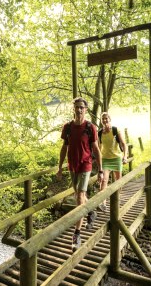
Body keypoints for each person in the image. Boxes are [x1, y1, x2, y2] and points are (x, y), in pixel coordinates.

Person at [57, 97, 103, 252]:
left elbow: (96, 149)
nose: (79, 110)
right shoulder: (68, 127)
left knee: (79, 195)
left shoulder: (90, 127)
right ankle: (90, 211)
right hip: (72, 165)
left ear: (86, 109)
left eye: (81, 107)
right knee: (79, 195)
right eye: (76, 107)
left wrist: (101, 170)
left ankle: (77, 234)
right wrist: (59, 167)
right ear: (73, 109)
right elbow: (64, 147)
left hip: (86, 164)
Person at [97, 112, 128, 211]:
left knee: (119, 180)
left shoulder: (115, 130)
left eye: (106, 118)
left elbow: (124, 144)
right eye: (103, 119)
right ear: (101, 121)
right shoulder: (100, 133)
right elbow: (99, 147)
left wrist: (125, 156)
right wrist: (98, 159)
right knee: (104, 180)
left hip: (116, 158)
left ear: (110, 119)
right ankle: (103, 202)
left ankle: (117, 199)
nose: (105, 120)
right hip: (105, 159)